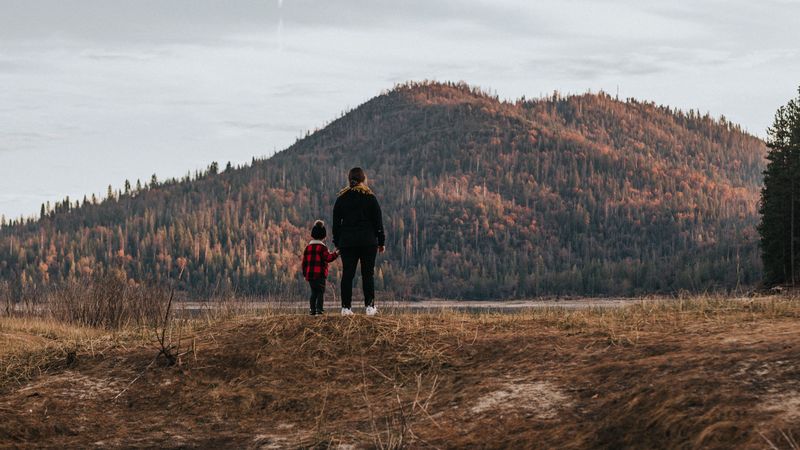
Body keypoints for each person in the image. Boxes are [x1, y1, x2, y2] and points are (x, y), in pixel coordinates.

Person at [333, 167, 385, 316]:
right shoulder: (370, 197)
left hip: (347, 242)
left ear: (349, 180)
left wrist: (337, 242)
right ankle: (369, 307)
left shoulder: (341, 198)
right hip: (368, 241)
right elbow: (378, 222)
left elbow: (336, 223)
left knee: (347, 274)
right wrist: (381, 242)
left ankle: (346, 308)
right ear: (363, 180)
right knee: (368, 274)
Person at [301, 220, 339, 315]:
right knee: (320, 292)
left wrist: (305, 274)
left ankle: (312, 310)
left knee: (313, 292)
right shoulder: (322, 248)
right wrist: (336, 253)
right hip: (320, 275)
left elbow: (304, 263)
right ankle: (319, 310)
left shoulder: (308, 248)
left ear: (312, 234)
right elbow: (328, 258)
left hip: (310, 275)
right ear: (324, 236)